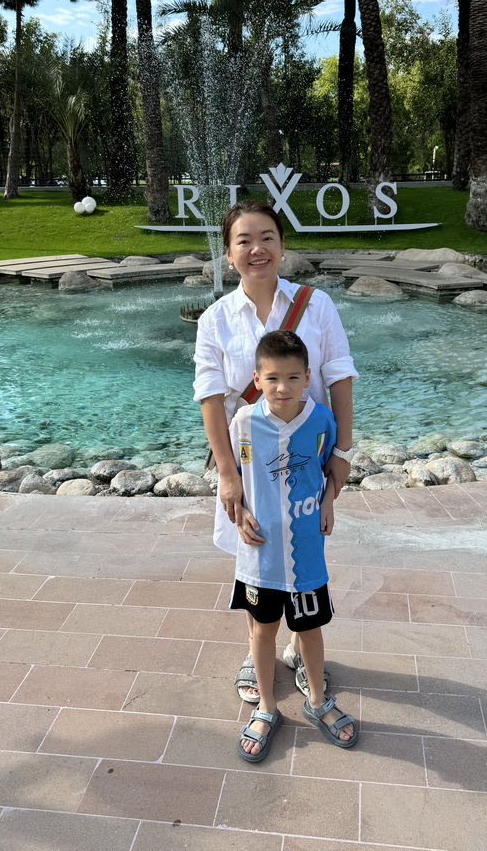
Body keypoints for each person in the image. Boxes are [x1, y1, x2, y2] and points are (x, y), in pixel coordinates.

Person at [193, 200, 357, 702]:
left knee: (304, 547)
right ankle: (257, 645)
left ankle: (302, 648)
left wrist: (344, 453)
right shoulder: (215, 319)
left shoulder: (317, 305)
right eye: (243, 240)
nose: (256, 249)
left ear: (283, 246)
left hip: (307, 462)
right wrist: (226, 473)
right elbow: (211, 396)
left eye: (267, 237)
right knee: (255, 546)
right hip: (250, 464)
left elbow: (339, 375)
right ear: (227, 255)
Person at [229, 330, 358, 761]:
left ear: (307, 378)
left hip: (305, 553)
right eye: (272, 378)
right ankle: (266, 708)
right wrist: (239, 513)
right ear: (256, 379)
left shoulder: (321, 420)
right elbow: (231, 480)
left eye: (292, 377)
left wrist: (328, 502)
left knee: (309, 628)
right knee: (261, 631)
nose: (282, 387)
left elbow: (329, 468)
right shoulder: (243, 422)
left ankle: (318, 700)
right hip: (260, 556)